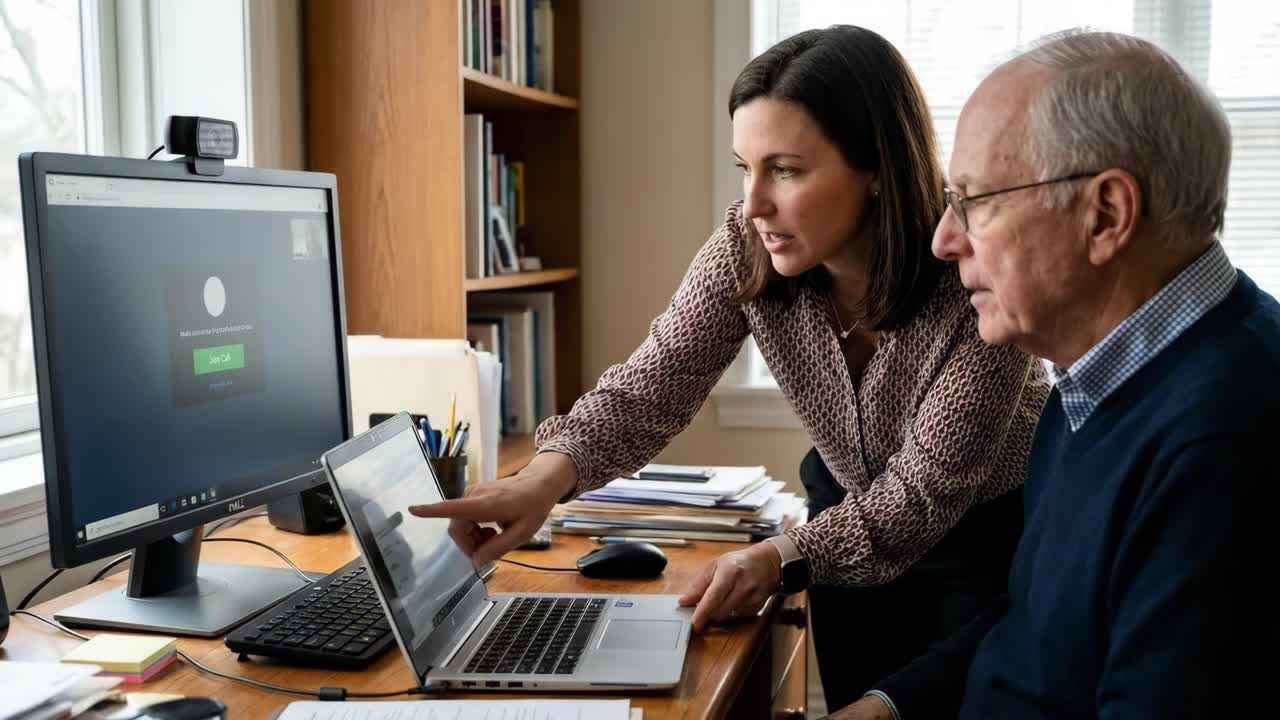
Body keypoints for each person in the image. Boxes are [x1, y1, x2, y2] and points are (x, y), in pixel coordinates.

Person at [412, 26, 1048, 707]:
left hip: (985, 534)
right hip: (843, 516)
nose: (754, 204)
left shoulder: (972, 274)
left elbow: (922, 496)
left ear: (875, 169)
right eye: (746, 168)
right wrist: (539, 481)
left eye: (787, 170)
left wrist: (778, 557)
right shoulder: (745, 246)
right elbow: (651, 387)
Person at [834, 29, 1277, 720]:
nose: (944, 239)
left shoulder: (1226, 438)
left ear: (1106, 214)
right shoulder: (1093, 380)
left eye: (975, 201)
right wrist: (886, 707)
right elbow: (1034, 623)